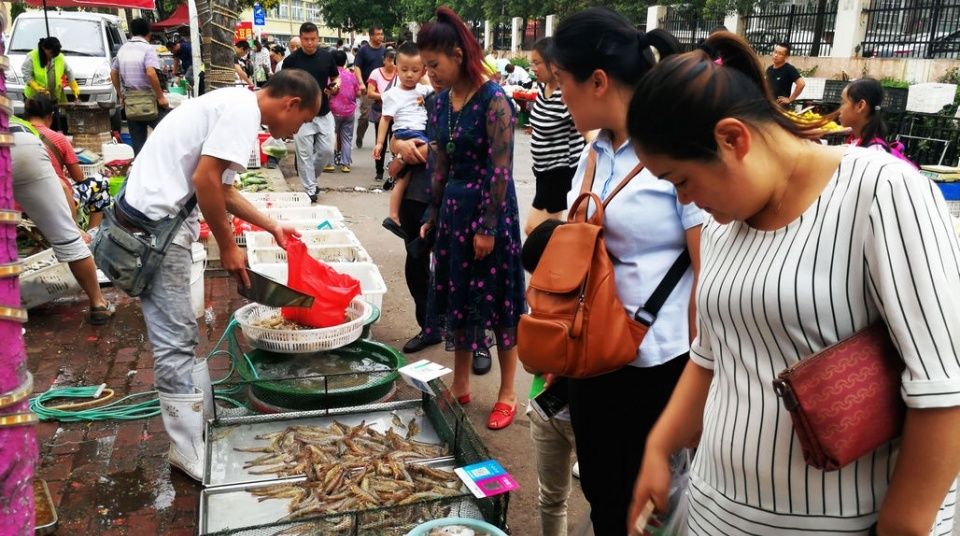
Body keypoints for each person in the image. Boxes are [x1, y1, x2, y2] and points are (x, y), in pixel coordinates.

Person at [626, 32, 960, 536]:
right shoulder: (723, 224)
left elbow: (944, 388)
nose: (685, 198)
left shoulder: (881, 191)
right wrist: (658, 446)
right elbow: (710, 358)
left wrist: (904, 525)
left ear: (733, 139)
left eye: (682, 180)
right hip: (716, 513)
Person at [114, 69, 321, 481]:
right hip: (155, 231)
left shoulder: (235, 104)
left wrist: (271, 225)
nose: (292, 131)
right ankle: (185, 447)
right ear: (290, 104)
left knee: (183, 334)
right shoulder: (243, 114)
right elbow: (205, 180)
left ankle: (201, 419)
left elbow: (222, 190)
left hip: (155, 224)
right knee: (174, 341)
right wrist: (228, 247)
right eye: (299, 122)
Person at [549, 10, 704, 534]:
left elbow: (708, 270)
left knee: (651, 512)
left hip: (658, 364)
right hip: (593, 359)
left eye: (561, 84)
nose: (557, 97)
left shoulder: (673, 151)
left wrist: (700, 390)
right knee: (603, 497)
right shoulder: (593, 152)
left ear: (597, 80)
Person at [417, 7, 526, 430]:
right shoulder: (439, 102)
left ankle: (507, 393)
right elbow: (439, 163)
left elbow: (502, 168)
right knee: (458, 298)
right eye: (425, 66)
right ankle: (460, 384)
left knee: (499, 303)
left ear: (458, 54)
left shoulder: (494, 100)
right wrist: (432, 210)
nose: (430, 74)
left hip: (489, 210)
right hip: (453, 213)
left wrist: (488, 226)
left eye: (434, 64)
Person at [10, 119, 113, 325]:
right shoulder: (28, 127)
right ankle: (98, 303)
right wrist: (72, 228)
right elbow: (64, 186)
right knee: (68, 240)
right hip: (24, 145)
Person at [520, 219, 579, 536]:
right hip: (546, 409)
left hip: (587, 413)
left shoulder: (599, 299)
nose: (537, 285)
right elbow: (531, 366)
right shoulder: (539, 303)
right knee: (551, 497)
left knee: (606, 499)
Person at [524, 37, 584, 235]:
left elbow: (587, 129)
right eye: (531, 63)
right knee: (549, 232)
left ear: (553, 64)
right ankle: (557, 263)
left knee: (533, 230)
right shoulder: (542, 88)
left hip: (560, 171)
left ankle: (560, 261)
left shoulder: (565, 93)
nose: (533, 68)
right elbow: (545, 120)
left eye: (537, 63)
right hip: (542, 171)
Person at [25, 95, 111, 230]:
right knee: (101, 182)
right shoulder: (58, 139)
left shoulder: (15, 137)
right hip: (56, 202)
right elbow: (78, 177)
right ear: (50, 116)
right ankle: (92, 233)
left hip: (23, 204)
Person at [374, 42, 432, 232]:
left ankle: (394, 215)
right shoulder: (392, 94)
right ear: (396, 68)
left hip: (419, 133)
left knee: (403, 177)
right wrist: (380, 143)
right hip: (406, 132)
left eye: (415, 70)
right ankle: (394, 215)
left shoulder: (424, 91)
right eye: (404, 69)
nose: (409, 74)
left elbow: (434, 90)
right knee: (406, 175)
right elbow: (385, 119)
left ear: (423, 71)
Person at [281, 22, 340, 203]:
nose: (309, 43)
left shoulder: (327, 57)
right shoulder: (291, 61)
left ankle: (310, 180)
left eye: (313, 39)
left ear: (318, 39)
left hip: (323, 112)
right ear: (301, 39)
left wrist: (336, 87)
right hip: (301, 116)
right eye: (306, 39)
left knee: (327, 150)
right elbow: (284, 85)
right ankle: (310, 189)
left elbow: (335, 77)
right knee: (304, 154)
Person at [111, 18, 170, 156]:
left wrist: (121, 95)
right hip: (149, 100)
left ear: (132, 32)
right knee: (169, 128)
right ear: (148, 33)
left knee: (138, 145)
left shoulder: (122, 49)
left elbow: (113, 72)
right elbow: (150, 73)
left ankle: (140, 170)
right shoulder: (147, 48)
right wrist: (161, 97)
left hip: (131, 102)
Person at [22, 37, 79, 131]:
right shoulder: (32, 56)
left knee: (52, 124)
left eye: (55, 55)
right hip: (35, 99)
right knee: (36, 124)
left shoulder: (59, 57)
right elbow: (26, 73)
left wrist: (74, 85)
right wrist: (35, 86)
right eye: (51, 54)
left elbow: (68, 71)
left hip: (52, 97)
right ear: (44, 49)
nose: (52, 57)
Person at [366, 49, 398, 182]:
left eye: (394, 60)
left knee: (395, 142)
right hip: (381, 112)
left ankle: (395, 171)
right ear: (384, 60)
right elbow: (370, 93)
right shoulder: (375, 73)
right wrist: (386, 96)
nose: (391, 63)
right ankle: (379, 171)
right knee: (381, 142)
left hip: (397, 113)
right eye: (389, 60)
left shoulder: (400, 72)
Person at [353, 26, 388, 149]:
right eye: (378, 34)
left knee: (382, 117)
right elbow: (357, 67)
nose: (380, 37)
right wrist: (361, 83)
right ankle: (359, 135)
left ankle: (380, 143)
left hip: (382, 91)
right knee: (365, 116)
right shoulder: (364, 50)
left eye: (381, 34)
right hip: (368, 89)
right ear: (371, 36)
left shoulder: (384, 51)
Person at [329, 49, 362, 173]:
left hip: (333, 111)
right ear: (344, 61)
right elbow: (358, 92)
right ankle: (345, 164)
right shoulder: (351, 75)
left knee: (330, 137)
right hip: (349, 111)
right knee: (347, 138)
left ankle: (330, 163)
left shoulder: (331, 76)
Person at [766, 41, 805, 106]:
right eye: (775, 52)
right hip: (768, 106)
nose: (776, 55)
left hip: (780, 108)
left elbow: (801, 84)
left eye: (780, 54)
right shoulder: (769, 69)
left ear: (786, 56)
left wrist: (790, 99)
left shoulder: (789, 69)